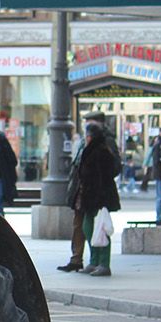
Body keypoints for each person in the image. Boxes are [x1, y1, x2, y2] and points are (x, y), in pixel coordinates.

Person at [59, 110, 108, 272]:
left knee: (97, 227)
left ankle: (100, 262)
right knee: (81, 225)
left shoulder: (104, 143)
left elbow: (110, 168)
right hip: (82, 190)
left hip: (94, 193)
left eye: (90, 122)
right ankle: (79, 259)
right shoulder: (84, 143)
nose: (86, 125)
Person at [75, 120, 121, 276]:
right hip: (90, 196)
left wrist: (101, 196)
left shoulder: (101, 151)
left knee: (101, 229)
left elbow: (108, 173)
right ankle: (94, 260)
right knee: (88, 228)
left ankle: (103, 263)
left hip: (99, 196)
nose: (86, 138)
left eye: (87, 135)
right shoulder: (90, 149)